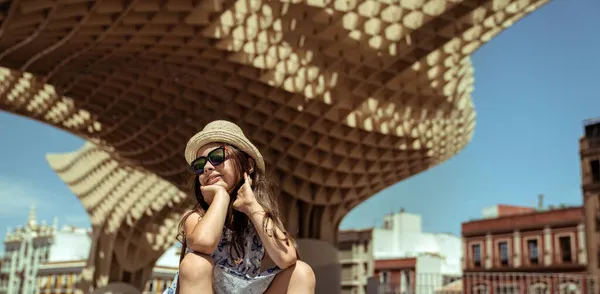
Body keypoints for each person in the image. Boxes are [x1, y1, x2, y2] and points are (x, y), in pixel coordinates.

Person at [164, 120, 316, 294]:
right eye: (199, 164)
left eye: (217, 157)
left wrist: (251, 206)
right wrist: (221, 197)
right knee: (195, 263)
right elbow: (203, 243)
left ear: (248, 165)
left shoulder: (260, 216)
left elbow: (287, 258)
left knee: (302, 272)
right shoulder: (195, 217)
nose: (207, 167)